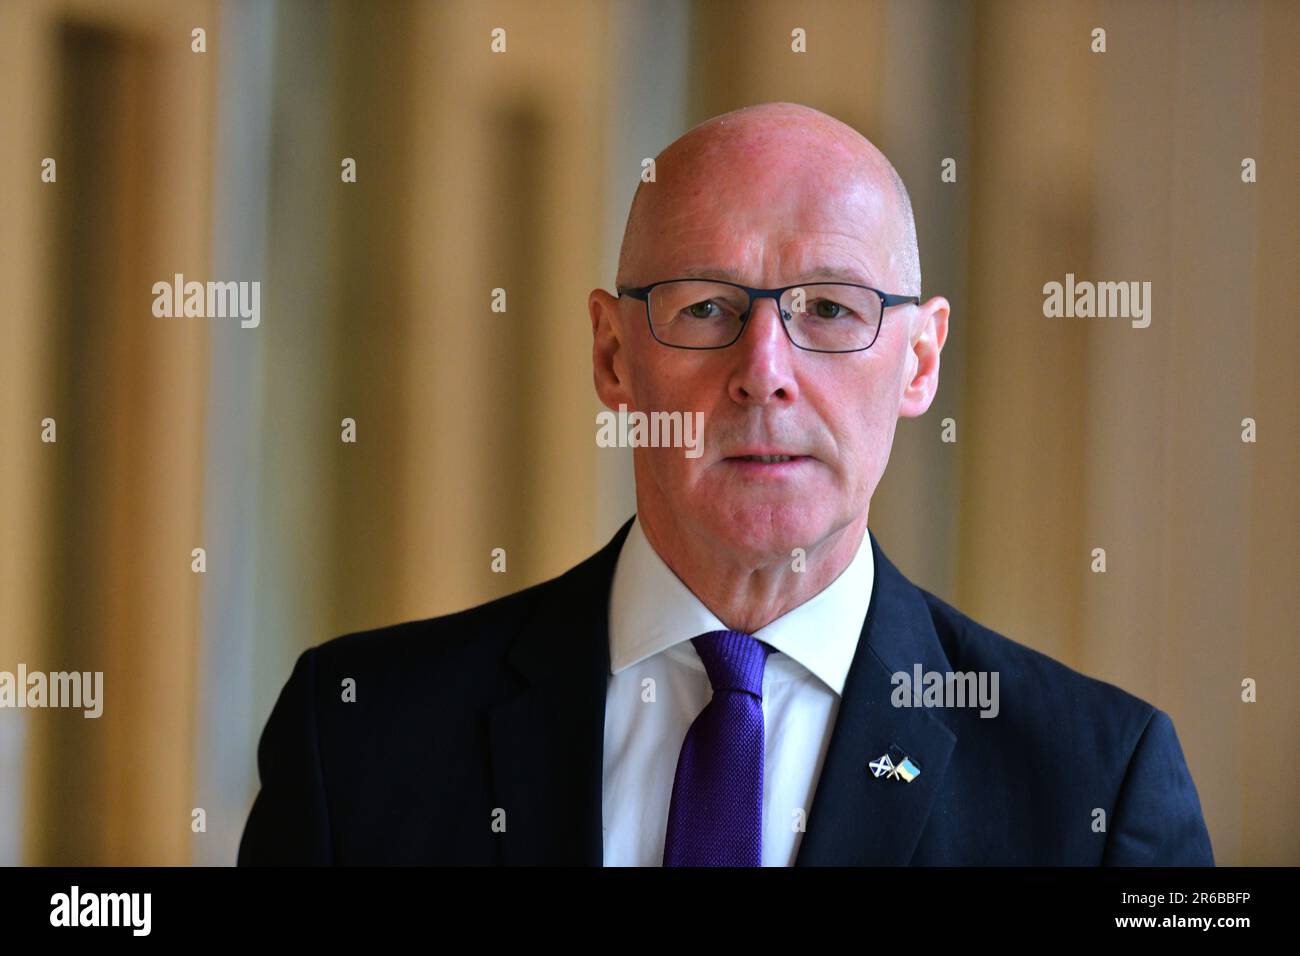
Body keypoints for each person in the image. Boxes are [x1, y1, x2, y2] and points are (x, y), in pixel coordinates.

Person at [237, 102, 1214, 866]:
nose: (764, 369)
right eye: (704, 306)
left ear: (920, 361)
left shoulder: (1094, 787)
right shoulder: (359, 735)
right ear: (612, 355)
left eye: (829, 307)